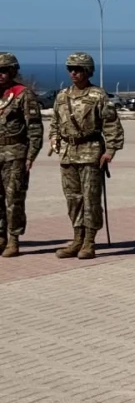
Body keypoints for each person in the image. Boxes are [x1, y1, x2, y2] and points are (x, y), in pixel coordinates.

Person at [49, 53, 125, 259]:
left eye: (78, 69)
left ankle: (89, 242)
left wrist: (110, 151)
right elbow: (55, 122)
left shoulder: (98, 96)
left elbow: (111, 124)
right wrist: (54, 138)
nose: (74, 73)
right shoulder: (62, 96)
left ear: (88, 71)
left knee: (90, 199)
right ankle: (77, 238)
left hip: (90, 152)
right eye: (70, 69)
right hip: (67, 154)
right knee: (73, 200)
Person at [0, 53, 45, 258]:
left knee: (13, 198)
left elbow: (34, 128)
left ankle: (13, 239)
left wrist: (31, 156)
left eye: (4, 71)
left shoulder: (23, 94)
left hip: (15, 154)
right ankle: (1, 236)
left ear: (13, 72)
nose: (0, 75)